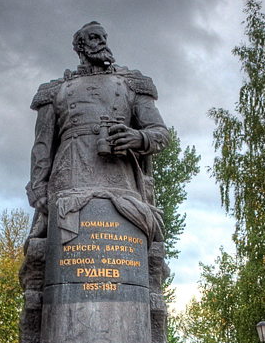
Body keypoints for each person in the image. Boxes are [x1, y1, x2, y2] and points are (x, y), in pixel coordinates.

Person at [25, 21, 170, 246]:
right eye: (94, 37)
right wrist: (38, 189)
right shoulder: (54, 91)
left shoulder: (131, 84)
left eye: (104, 37)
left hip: (121, 182)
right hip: (69, 181)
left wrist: (138, 138)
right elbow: (42, 147)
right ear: (80, 46)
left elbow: (160, 133)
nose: (102, 41)